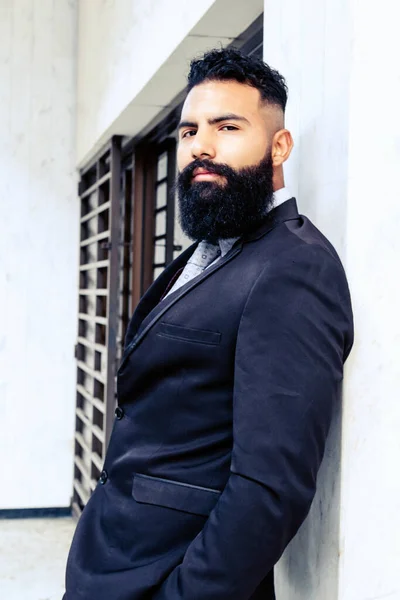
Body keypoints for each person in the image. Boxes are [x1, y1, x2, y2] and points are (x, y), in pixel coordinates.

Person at [63, 48, 353, 600]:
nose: (201, 145)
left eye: (227, 126)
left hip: (166, 582)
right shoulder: (212, 250)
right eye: (189, 130)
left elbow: (269, 489)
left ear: (279, 145)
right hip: (114, 559)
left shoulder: (295, 268)